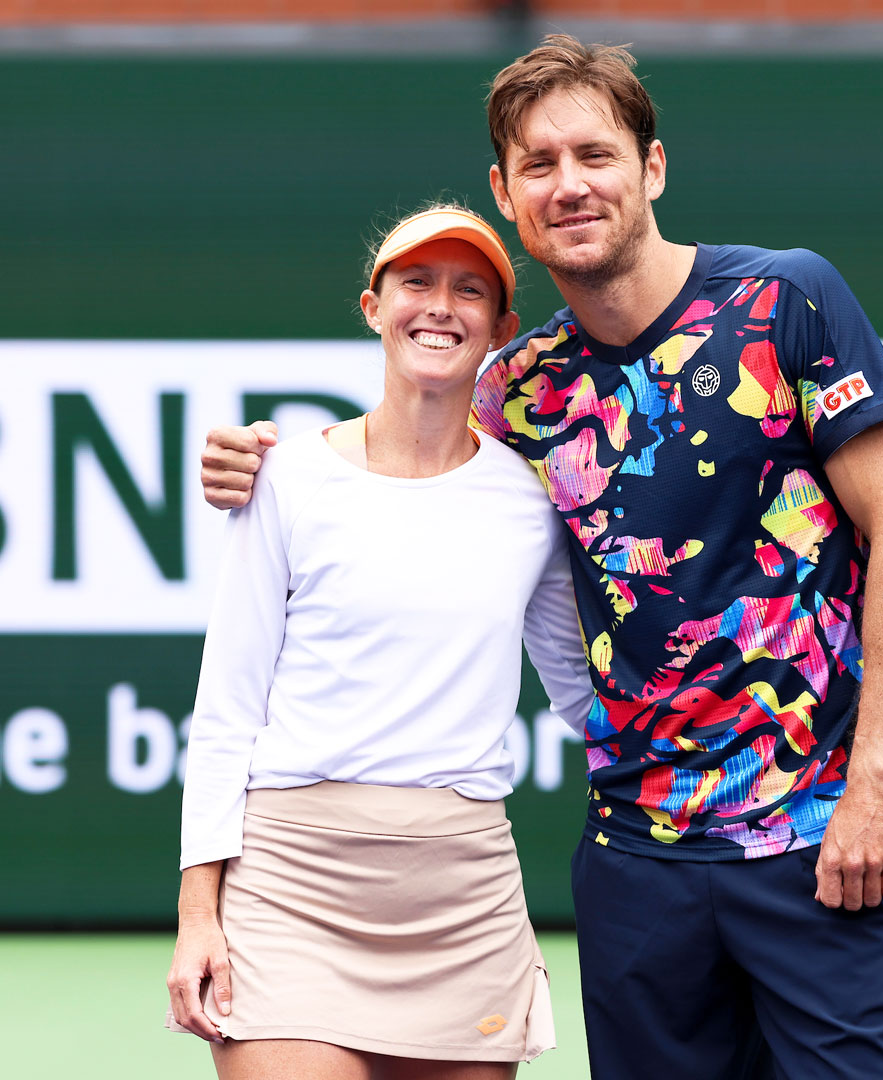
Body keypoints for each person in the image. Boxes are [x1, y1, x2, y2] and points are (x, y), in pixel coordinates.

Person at [200, 36, 883, 1080]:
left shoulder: (791, 303)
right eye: (539, 165)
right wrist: (257, 457)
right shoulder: (518, 392)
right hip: (638, 867)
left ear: (652, 168)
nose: (570, 184)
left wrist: (875, 781)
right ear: (507, 192)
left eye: (594, 154)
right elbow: (400, 463)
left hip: (824, 840)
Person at [167, 204, 596, 1080]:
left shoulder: (532, 499)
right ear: (374, 307)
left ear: (501, 329)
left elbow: (584, 697)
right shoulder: (281, 475)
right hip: (291, 885)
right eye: (416, 283)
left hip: (463, 897)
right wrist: (198, 916)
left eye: (468, 290)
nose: (440, 306)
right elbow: (226, 708)